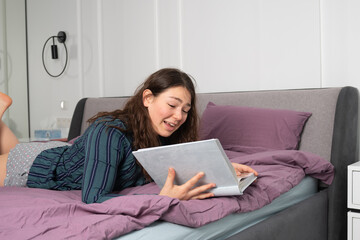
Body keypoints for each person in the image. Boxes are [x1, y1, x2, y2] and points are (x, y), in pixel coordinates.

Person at [0, 68, 257, 203]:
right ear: (147, 98)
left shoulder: (164, 133)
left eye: (185, 110)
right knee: (9, 154)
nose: (179, 116)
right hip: (35, 166)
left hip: (65, 152)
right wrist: (160, 199)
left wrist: (220, 168)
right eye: (172, 104)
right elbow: (93, 197)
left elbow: (176, 167)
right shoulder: (110, 132)